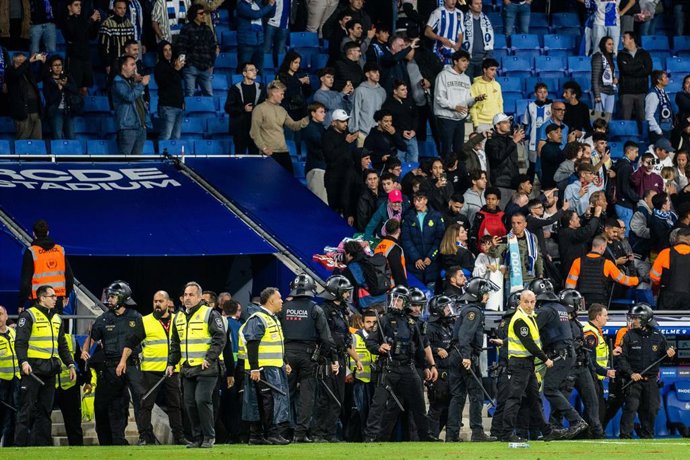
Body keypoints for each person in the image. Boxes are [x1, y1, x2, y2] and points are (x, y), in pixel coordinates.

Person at [363, 287, 441, 442]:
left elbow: (419, 347)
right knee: (378, 404)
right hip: (389, 367)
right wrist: (379, 348)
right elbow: (370, 341)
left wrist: (426, 366)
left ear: (405, 302)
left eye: (398, 300)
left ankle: (425, 435)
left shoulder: (412, 322)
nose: (395, 303)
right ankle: (371, 437)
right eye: (394, 299)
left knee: (419, 404)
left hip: (408, 367)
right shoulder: (384, 320)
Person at [82, 281, 145, 446]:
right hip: (110, 367)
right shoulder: (103, 318)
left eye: (113, 296)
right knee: (111, 404)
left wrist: (124, 361)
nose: (109, 300)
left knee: (140, 401)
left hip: (131, 365)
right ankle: (111, 441)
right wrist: (84, 350)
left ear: (123, 297)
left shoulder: (136, 317)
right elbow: (92, 338)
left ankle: (145, 436)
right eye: (109, 296)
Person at [166, 282, 227, 448]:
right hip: (188, 368)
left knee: (202, 400)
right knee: (189, 404)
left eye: (191, 295)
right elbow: (175, 343)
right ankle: (198, 437)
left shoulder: (210, 314)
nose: (187, 298)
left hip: (207, 367)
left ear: (200, 297)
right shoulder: (178, 317)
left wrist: (210, 357)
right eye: (185, 295)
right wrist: (171, 363)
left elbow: (220, 338)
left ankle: (209, 436)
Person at [502, 290, 568, 443]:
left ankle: (546, 431)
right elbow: (529, 343)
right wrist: (545, 359)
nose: (530, 305)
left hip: (527, 364)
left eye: (532, 302)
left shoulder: (530, 317)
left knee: (535, 398)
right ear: (520, 302)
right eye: (526, 302)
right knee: (514, 398)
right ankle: (506, 433)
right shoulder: (520, 319)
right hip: (519, 364)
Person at [13, 286, 75, 446]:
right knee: (25, 411)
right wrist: (23, 362)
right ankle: (18, 447)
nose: (56, 298)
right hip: (32, 371)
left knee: (45, 411)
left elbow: (62, 345)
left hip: (50, 371)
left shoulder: (57, 318)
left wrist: (70, 364)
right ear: (41, 298)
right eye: (52, 296)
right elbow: (20, 342)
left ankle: (42, 446)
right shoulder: (28, 316)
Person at [277, 274, 335, 443]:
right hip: (308, 356)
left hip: (286, 355)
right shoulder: (315, 309)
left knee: (285, 393)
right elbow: (326, 338)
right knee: (307, 395)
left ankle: (282, 431)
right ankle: (300, 433)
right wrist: (322, 356)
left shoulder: (284, 308)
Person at [446, 278, 499, 442]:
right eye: (485, 293)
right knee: (475, 394)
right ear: (478, 294)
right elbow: (465, 335)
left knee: (458, 396)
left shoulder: (468, 308)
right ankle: (477, 432)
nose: (487, 297)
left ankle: (452, 435)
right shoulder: (474, 311)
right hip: (464, 356)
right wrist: (467, 357)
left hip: (456, 354)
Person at [239, 287, 290, 445]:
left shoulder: (272, 318)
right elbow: (252, 344)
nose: (282, 301)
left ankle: (257, 435)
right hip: (263, 369)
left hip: (273, 367)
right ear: (271, 301)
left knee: (262, 401)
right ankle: (270, 433)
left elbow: (278, 343)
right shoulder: (258, 318)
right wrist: (255, 368)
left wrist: (285, 362)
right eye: (279, 298)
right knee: (268, 402)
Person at [617, 304, 676, 438]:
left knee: (652, 408)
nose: (633, 321)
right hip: (633, 380)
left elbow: (666, 357)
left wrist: (671, 354)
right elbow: (622, 359)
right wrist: (631, 373)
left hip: (651, 380)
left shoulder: (658, 336)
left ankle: (647, 435)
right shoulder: (628, 336)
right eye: (632, 318)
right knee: (631, 408)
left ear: (644, 319)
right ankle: (625, 436)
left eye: (636, 318)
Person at [137, 291, 187, 445]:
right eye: (155, 301)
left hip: (173, 370)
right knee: (145, 405)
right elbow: (132, 342)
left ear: (168, 303)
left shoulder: (179, 320)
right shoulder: (145, 321)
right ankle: (145, 436)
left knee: (175, 405)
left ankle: (179, 437)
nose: (157, 304)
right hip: (151, 369)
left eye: (160, 301)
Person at [312, 275, 358, 442]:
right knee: (325, 396)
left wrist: (357, 359)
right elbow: (325, 337)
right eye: (345, 292)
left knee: (338, 397)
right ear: (336, 293)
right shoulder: (323, 310)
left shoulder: (343, 311)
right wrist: (332, 359)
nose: (348, 295)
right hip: (327, 358)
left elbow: (344, 339)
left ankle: (330, 434)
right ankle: (318, 433)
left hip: (340, 357)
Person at [557, 289, 605, 438]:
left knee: (592, 401)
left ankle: (596, 432)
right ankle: (555, 429)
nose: (581, 305)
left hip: (582, 365)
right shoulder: (562, 322)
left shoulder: (576, 321)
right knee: (561, 401)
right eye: (578, 302)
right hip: (569, 367)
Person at [250, 80, 309, 174]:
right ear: (274, 92)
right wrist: (264, 148)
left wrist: (308, 118)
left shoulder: (282, 110)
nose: (283, 96)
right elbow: (254, 132)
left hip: (284, 151)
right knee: (271, 183)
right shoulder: (259, 109)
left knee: (289, 182)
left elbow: (294, 126)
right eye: (281, 94)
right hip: (269, 153)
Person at [434, 49, 484, 157]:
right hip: (446, 118)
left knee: (459, 149)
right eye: (463, 60)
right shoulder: (443, 75)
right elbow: (439, 98)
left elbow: (466, 100)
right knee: (446, 150)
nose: (466, 63)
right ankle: (444, 172)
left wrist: (475, 99)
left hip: (460, 119)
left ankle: (457, 173)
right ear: (455, 61)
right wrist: (454, 107)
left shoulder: (466, 78)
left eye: (467, 61)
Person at [565, 235, 639, 306]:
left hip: (583, 300)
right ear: (602, 247)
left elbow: (570, 284)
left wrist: (572, 302)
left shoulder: (578, 261)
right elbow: (623, 279)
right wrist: (637, 280)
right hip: (600, 301)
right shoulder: (607, 263)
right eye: (605, 247)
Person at [18, 219, 74, 314]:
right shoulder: (60, 250)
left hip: (38, 300)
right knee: (55, 327)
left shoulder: (31, 252)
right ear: (48, 233)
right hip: (56, 299)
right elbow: (69, 277)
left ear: (33, 233)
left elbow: (25, 282)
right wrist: (66, 295)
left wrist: (21, 303)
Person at [401, 190, 446, 290]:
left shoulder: (436, 216)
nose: (416, 203)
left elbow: (440, 239)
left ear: (425, 201)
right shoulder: (408, 217)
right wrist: (416, 258)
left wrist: (431, 256)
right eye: (414, 200)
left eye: (419, 200)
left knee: (431, 293)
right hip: (414, 265)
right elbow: (406, 239)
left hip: (432, 265)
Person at [582, 302, 615, 430]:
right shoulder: (590, 334)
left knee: (595, 409)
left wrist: (611, 352)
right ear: (597, 317)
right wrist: (605, 372)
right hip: (592, 377)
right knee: (596, 411)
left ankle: (587, 435)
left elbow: (597, 354)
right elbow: (590, 361)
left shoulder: (596, 332)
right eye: (605, 315)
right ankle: (589, 435)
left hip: (595, 377)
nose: (607, 318)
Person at [111, 55, 149, 155]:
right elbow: (129, 97)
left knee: (137, 162)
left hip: (140, 126)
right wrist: (142, 84)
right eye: (132, 64)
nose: (135, 67)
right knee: (125, 160)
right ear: (124, 66)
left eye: (135, 64)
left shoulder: (132, 81)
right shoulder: (118, 82)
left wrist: (137, 83)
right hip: (127, 127)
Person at [176, 4, 217, 97]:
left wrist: (211, 64)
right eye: (201, 13)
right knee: (189, 94)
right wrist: (184, 63)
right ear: (194, 15)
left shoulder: (207, 29)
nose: (204, 15)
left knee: (209, 95)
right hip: (191, 67)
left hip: (206, 68)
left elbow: (213, 48)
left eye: (204, 13)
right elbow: (181, 47)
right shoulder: (187, 28)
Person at [61, 0, 100, 96]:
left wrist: (96, 23)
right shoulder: (66, 21)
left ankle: (85, 109)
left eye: (80, 5)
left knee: (85, 88)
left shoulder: (82, 20)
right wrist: (91, 20)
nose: (79, 7)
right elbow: (77, 34)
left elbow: (92, 36)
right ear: (69, 7)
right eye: (76, 5)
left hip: (86, 57)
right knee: (75, 88)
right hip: (74, 59)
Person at [486, 113, 525, 208]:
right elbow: (497, 157)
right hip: (500, 184)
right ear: (497, 125)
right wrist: (513, 142)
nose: (509, 124)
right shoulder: (491, 141)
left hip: (513, 184)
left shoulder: (510, 140)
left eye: (509, 122)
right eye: (505, 122)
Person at [6, 52, 44, 140]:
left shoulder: (28, 73)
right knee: (23, 140)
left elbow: (41, 76)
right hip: (22, 112)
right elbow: (16, 73)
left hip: (35, 111)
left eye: (23, 60)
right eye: (19, 60)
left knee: (37, 141)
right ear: (13, 60)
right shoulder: (10, 72)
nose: (22, 62)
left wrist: (43, 63)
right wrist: (28, 61)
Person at [650, 227, 690, 309]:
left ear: (676, 239)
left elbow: (653, 277)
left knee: (665, 321)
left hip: (668, 298)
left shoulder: (665, 253)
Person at [617, 31, 653, 123]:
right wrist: (640, 66)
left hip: (641, 92)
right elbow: (625, 70)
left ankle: (643, 137)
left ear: (631, 39)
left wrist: (631, 68)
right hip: (626, 92)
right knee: (625, 121)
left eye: (624, 38)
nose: (622, 40)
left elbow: (648, 70)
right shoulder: (621, 55)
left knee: (642, 121)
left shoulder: (644, 53)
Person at [350, 62, 387, 147]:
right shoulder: (360, 90)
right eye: (374, 72)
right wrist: (355, 130)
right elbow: (355, 110)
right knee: (362, 158)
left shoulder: (382, 91)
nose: (377, 74)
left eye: (378, 72)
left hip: (377, 132)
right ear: (367, 74)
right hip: (363, 133)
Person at [154, 40, 185, 140]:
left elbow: (178, 86)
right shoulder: (159, 67)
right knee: (166, 136)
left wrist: (182, 101)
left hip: (178, 106)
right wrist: (175, 69)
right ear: (161, 52)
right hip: (167, 107)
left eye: (170, 49)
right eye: (165, 50)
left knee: (176, 138)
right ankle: (162, 156)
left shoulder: (172, 65)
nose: (168, 52)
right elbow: (165, 83)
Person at [236, 0, 276, 76]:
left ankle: (259, 87)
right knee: (243, 71)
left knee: (259, 70)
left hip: (259, 43)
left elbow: (271, 14)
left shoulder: (257, 3)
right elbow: (255, 15)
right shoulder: (241, 4)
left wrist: (273, 2)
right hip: (246, 44)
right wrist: (270, 5)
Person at [523, 82, 553, 181]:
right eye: (540, 92)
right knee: (532, 168)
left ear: (547, 93)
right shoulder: (530, 106)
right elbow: (525, 124)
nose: (543, 94)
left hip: (547, 143)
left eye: (545, 92)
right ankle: (528, 191)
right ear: (535, 94)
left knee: (546, 168)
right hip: (533, 143)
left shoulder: (551, 106)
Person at [0, 305, 20, 447]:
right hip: (1, 382)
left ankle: (10, 447)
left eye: (1, 314)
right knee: (1, 417)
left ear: (6, 316)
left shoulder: (13, 333)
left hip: (15, 380)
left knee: (14, 416)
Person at [98, 0, 135, 74]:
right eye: (120, 8)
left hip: (126, 63)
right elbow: (103, 47)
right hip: (113, 62)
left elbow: (132, 45)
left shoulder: (129, 24)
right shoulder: (107, 24)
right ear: (114, 9)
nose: (123, 11)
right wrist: (107, 64)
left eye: (124, 8)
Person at [425, 0, 464, 64]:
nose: (453, 1)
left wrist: (459, 44)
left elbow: (460, 32)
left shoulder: (460, 13)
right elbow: (427, 32)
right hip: (439, 52)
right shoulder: (437, 12)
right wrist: (441, 39)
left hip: (454, 52)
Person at [615, 141, 641, 232]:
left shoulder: (620, 163)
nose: (637, 155)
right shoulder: (626, 167)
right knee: (625, 233)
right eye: (636, 152)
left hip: (621, 203)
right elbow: (625, 188)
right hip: (625, 205)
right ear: (629, 151)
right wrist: (637, 198)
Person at [470, 58, 502, 133]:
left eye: (495, 70)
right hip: (481, 123)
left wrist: (500, 121)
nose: (494, 72)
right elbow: (472, 106)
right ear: (484, 70)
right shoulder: (475, 86)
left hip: (495, 123)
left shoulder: (497, 85)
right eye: (492, 69)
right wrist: (476, 124)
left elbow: (500, 103)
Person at [591, 36, 617, 119]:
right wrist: (597, 95)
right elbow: (595, 78)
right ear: (603, 45)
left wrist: (614, 80)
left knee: (608, 118)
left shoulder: (610, 57)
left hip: (610, 91)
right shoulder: (598, 56)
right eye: (609, 44)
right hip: (601, 91)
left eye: (612, 44)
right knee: (599, 119)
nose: (611, 46)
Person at [645, 69, 674, 143]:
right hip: (658, 131)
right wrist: (658, 130)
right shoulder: (653, 94)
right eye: (665, 77)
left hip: (667, 129)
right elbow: (649, 116)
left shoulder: (664, 92)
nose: (667, 79)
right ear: (659, 80)